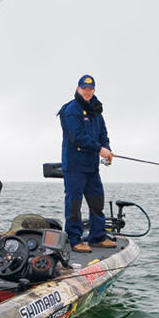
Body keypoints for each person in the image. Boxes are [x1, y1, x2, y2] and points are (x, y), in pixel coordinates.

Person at [57, 74, 117, 253]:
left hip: (91, 167)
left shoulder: (96, 110)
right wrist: (100, 149)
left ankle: (97, 237)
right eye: (84, 88)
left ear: (94, 90)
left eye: (90, 89)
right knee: (74, 204)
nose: (87, 92)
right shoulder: (71, 110)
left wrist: (106, 149)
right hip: (74, 167)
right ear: (78, 89)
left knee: (97, 201)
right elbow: (78, 138)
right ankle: (74, 240)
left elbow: (103, 135)